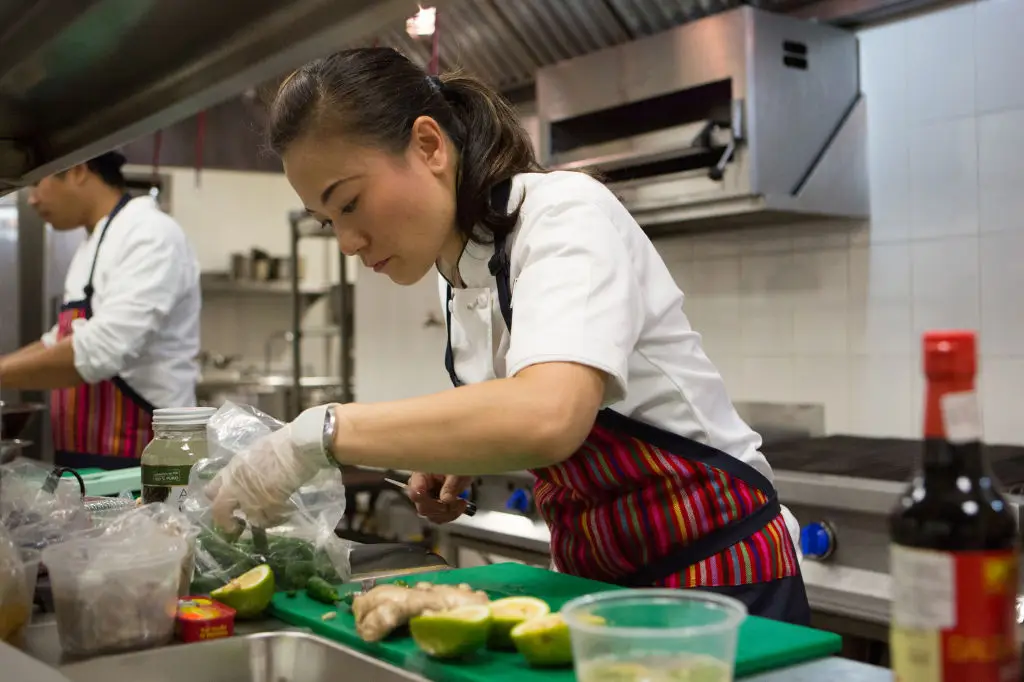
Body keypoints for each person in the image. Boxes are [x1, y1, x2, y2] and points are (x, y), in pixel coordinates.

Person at [208, 48, 810, 624]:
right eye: (328, 220)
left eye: (352, 203)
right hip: (592, 584)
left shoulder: (566, 213)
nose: (348, 241)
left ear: (428, 145)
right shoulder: (454, 270)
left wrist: (321, 433)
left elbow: (549, 414)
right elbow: (522, 403)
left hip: (719, 580)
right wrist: (459, 456)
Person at [0, 152, 202, 470]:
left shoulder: (150, 233)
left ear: (79, 170)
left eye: (38, 182)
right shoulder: (93, 242)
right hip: (87, 458)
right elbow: (61, 339)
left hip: (147, 464)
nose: (31, 199)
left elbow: (101, 349)